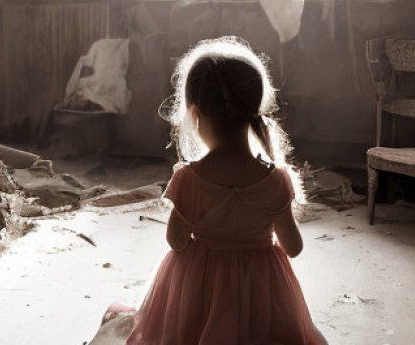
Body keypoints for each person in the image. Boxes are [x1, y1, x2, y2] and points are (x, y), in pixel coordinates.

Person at [126, 37, 329, 345]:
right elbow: (293, 247)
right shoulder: (275, 180)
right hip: (260, 290)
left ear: (193, 113)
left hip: (199, 290)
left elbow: (177, 242)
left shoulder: (189, 179)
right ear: (254, 108)